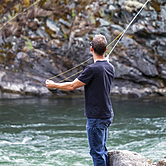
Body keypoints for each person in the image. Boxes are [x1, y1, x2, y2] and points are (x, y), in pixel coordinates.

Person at [45, 34, 115, 166]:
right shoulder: (110, 67)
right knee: (102, 150)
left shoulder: (92, 69)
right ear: (105, 50)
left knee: (97, 153)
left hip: (96, 117)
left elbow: (72, 85)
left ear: (91, 49)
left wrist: (54, 85)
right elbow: (102, 70)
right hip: (107, 114)